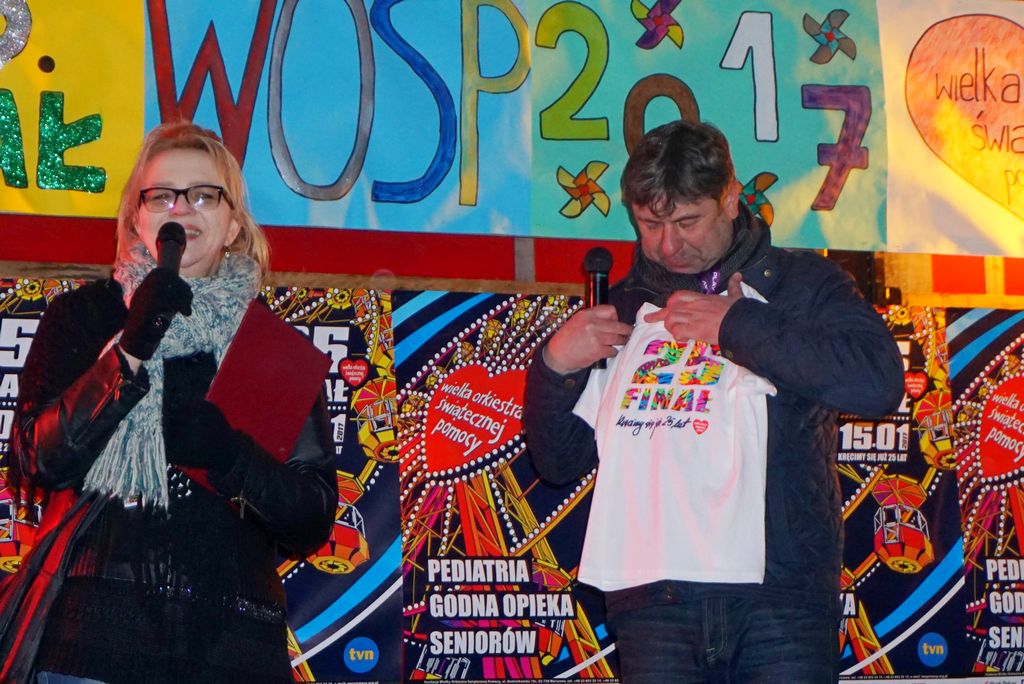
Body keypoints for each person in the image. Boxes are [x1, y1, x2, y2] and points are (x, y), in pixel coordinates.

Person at [523, 119, 904, 683]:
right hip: (653, 602)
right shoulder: (622, 309)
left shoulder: (802, 285)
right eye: (649, 224)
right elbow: (558, 463)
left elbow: (879, 382)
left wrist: (737, 325)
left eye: (686, 222)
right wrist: (553, 367)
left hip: (779, 596)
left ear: (730, 198)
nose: (667, 244)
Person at [0, 122, 337, 683]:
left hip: (234, 652)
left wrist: (229, 455)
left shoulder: (271, 347)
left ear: (232, 224)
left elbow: (311, 519)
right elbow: (37, 460)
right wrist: (129, 349)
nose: (181, 209)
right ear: (136, 217)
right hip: (89, 644)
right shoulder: (83, 318)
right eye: (161, 196)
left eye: (204, 195)